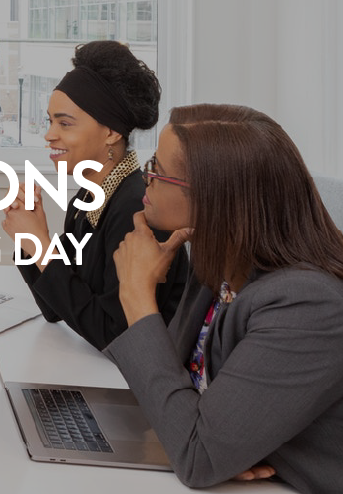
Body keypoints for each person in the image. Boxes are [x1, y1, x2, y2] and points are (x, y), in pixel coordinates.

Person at [108, 104, 343, 492]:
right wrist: (216, 442)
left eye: (159, 172)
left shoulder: (309, 306)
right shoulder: (217, 261)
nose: (144, 177)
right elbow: (176, 390)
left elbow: (197, 457)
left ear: (216, 200)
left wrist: (137, 295)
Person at [2, 41, 187, 350]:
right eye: (50, 121)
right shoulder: (85, 201)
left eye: (64, 123)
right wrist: (32, 242)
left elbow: (115, 336)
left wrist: (42, 246)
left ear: (111, 132)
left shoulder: (137, 208)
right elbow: (57, 309)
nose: (49, 134)